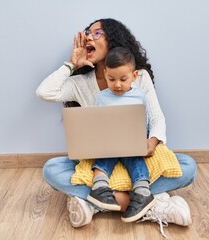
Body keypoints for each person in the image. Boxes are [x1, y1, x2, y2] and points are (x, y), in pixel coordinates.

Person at [36, 18, 197, 229]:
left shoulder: (140, 78)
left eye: (97, 33)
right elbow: (44, 92)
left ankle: (96, 203)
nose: (88, 37)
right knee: (51, 169)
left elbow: (157, 117)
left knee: (188, 167)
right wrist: (71, 64)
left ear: (113, 40)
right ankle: (147, 204)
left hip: (138, 156)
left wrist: (153, 141)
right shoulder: (79, 83)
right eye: (87, 32)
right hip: (101, 162)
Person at [87, 47, 155, 223]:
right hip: (108, 143)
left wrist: (146, 141)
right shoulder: (101, 98)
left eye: (123, 79)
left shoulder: (140, 96)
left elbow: (145, 122)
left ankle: (142, 193)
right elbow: (96, 123)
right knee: (103, 159)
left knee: (135, 160)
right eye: (111, 79)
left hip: (132, 143)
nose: (117, 84)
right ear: (105, 73)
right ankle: (100, 189)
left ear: (134, 76)